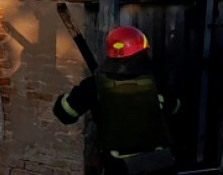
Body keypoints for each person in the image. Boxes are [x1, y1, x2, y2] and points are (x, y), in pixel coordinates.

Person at [53, 26, 179, 174]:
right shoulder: (156, 81)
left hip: (118, 166)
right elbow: (175, 108)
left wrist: (71, 96)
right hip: (158, 164)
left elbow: (65, 113)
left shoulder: (94, 85)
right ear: (142, 52)